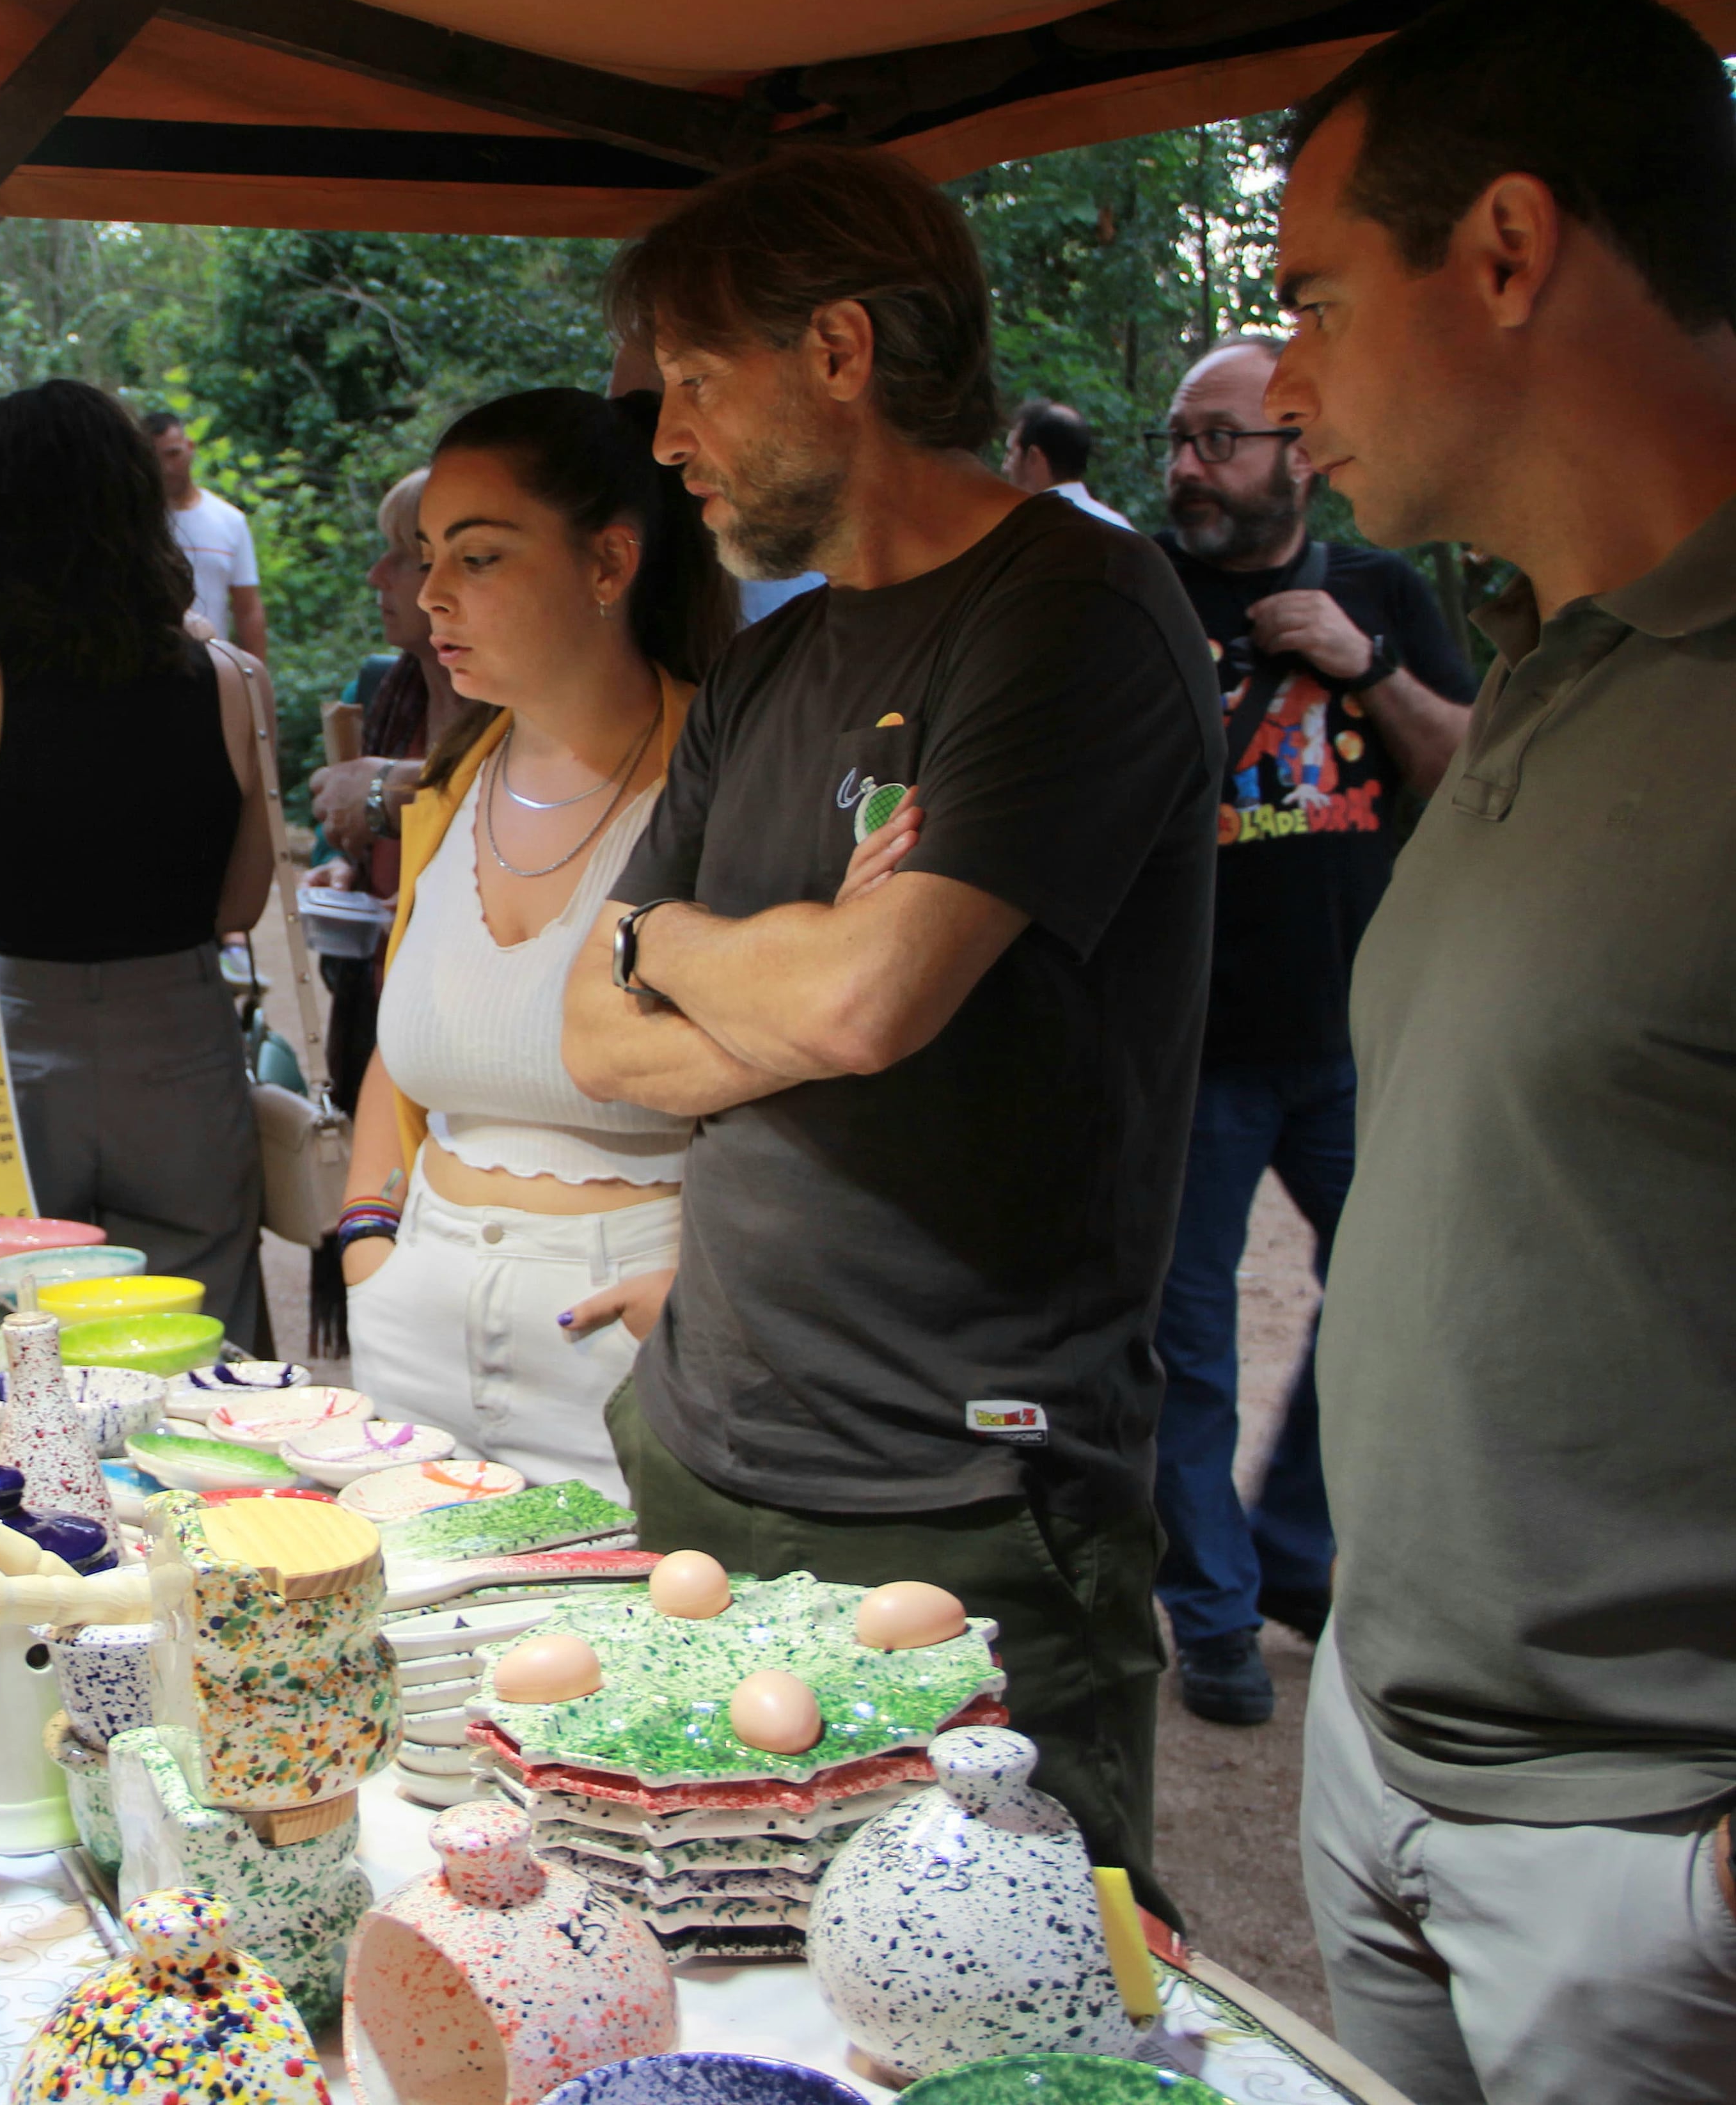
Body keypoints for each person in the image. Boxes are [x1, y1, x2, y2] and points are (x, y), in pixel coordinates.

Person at [564, 143, 1219, 1915]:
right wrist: (758, 966)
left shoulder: (1074, 609)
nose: (667, 432)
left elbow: (871, 996)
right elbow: (598, 1030)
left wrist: (700, 951)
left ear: (839, 351)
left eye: (695, 379)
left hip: (966, 1493)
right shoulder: (778, 666)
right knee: (710, 1967)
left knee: (1005, 2005)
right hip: (705, 1436)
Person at [1261, 0, 1736, 2088]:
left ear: (1513, 253)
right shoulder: (1550, 654)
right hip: (1388, 1766)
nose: (1282, 385)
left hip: (1640, 1880)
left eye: (1316, 301)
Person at [1141, 333, 1476, 1729]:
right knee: (1188, 1344)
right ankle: (1213, 1613)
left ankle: (1295, 1551)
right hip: (1193, 1043)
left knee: (1398, 1312)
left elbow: (1467, 767)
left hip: (1357, 1038)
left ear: (1297, 452)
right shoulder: (1142, 596)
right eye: (1177, 438)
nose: (1188, 467)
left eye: (1220, 440)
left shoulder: (1379, 589)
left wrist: (1365, 661)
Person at [334, 393, 734, 1502]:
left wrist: (699, 1291)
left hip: (633, 1336)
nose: (431, 595)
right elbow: (402, 1040)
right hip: (417, 1313)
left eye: (481, 556)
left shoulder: (735, 779)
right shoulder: (456, 782)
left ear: (610, 562)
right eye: (427, 557)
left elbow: (822, 1081)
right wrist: (371, 1243)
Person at [0, 381, 277, 1350]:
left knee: (21, 1334)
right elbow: (242, 898)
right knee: (199, 1332)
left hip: (15, 1046)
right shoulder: (226, 680)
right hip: (183, 1039)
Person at [307, 469, 467, 1102]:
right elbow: (335, 837)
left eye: (405, 557)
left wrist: (395, 794)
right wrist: (339, 871)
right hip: (378, 1023)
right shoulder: (376, 694)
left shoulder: (530, 715)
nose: (377, 575)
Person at [141, 410, 267, 660]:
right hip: (148, 665)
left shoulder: (229, 520)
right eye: (155, 458)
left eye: (173, 454)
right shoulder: (136, 522)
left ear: (190, 447)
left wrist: (255, 681)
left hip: (211, 666)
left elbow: (247, 608)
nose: (166, 468)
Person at [1003, 397, 1132, 526]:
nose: (1005, 467)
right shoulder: (1120, 527)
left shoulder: (1030, 529)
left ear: (1034, 457)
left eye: (1011, 453)